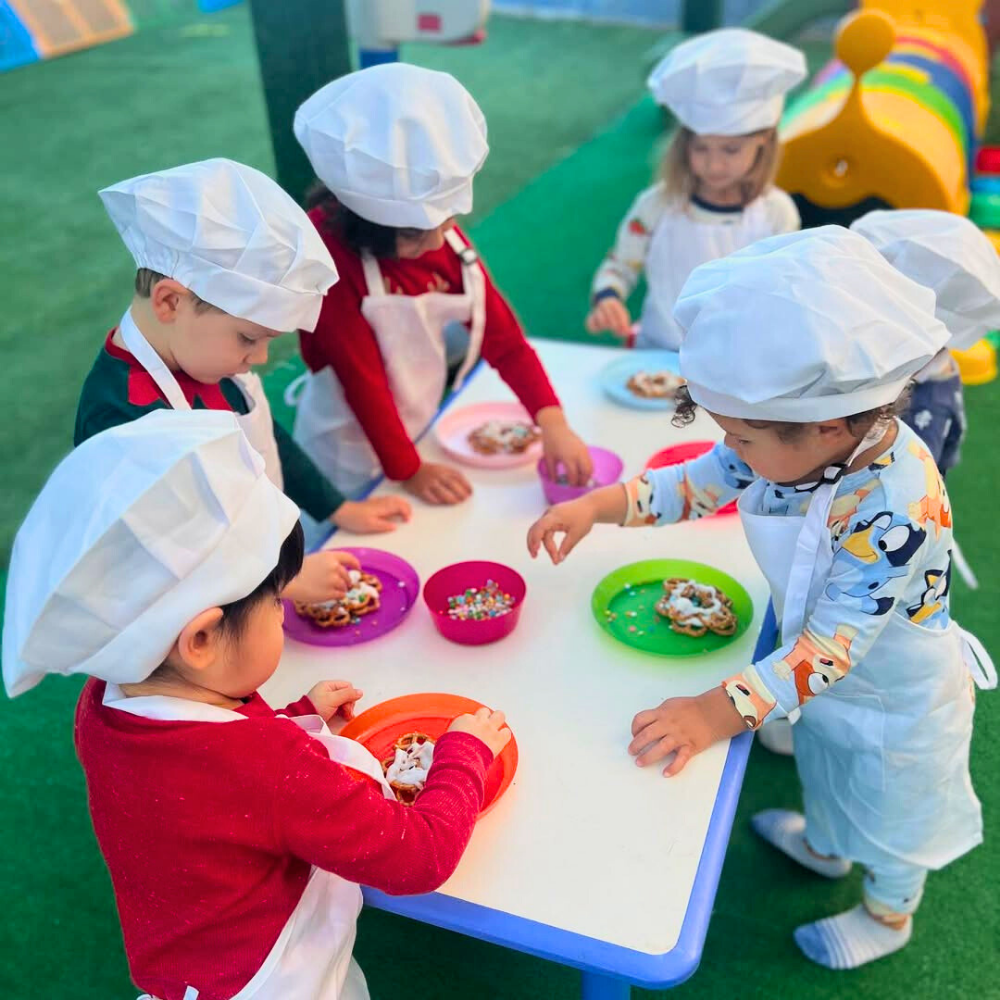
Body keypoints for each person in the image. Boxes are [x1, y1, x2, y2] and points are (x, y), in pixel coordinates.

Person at [528, 227, 994, 969]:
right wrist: (602, 506)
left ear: (831, 425)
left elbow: (832, 650)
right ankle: (824, 845)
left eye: (743, 439)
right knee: (828, 769)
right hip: (816, 674)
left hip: (894, 694)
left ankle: (888, 913)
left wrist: (715, 712)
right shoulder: (793, 440)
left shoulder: (899, 497)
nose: (732, 452)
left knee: (892, 809)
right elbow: (698, 481)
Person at [3, 410, 510, 1000]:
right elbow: (417, 857)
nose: (281, 614)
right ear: (199, 641)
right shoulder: (271, 764)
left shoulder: (102, 706)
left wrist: (297, 717)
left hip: (192, 976)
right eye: (275, 605)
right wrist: (465, 755)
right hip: (282, 981)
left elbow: (203, 787)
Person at [75, 158, 410, 607]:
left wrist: (337, 508)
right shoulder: (121, 416)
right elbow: (160, 553)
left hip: (252, 590)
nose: (260, 358)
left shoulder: (205, 359)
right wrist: (279, 581)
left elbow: (266, 441)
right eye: (249, 338)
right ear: (170, 302)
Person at [290, 63, 592, 503]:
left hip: (415, 428)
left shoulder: (441, 239)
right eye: (414, 234)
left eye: (448, 221)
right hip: (347, 445)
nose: (436, 242)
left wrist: (552, 421)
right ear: (363, 221)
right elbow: (361, 379)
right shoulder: (328, 252)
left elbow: (504, 341)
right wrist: (408, 470)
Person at [587, 28, 805, 349]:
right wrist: (608, 297)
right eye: (701, 149)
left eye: (731, 150)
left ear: (763, 141)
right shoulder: (656, 204)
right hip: (657, 354)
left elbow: (785, 289)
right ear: (683, 144)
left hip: (737, 361)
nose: (714, 165)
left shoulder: (776, 214)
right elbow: (620, 265)